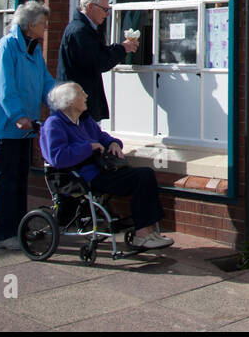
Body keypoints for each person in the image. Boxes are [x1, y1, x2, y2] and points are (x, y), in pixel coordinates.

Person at [39, 82, 172, 249]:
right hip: (83, 176)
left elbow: (103, 137)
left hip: (102, 169)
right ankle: (143, 234)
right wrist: (88, 147)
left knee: (145, 176)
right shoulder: (54, 124)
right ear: (70, 101)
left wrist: (114, 143)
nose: (86, 96)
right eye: (81, 93)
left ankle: (149, 231)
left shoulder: (84, 121)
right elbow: (57, 157)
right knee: (142, 176)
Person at [0, 1, 56, 249]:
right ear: (30, 25)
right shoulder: (7, 47)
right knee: (6, 178)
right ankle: (1, 234)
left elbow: (46, 82)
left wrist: (63, 100)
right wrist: (18, 116)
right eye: (43, 23)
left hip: (25, 124)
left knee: (20, 177)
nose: (46, 27)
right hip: (8, 123)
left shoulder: (33, 49)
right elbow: (4, 86)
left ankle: (19, 229)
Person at [57, 0, 139, 123]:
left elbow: (98, 53)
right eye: (104, 9)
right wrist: (122, 49)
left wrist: (121, 48)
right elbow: (98, 61)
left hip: (81, 101)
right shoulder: (79, 31)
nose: (107, 14)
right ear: (90, 7)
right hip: (75, 104)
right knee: (85, 141)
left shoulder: (85, 29)